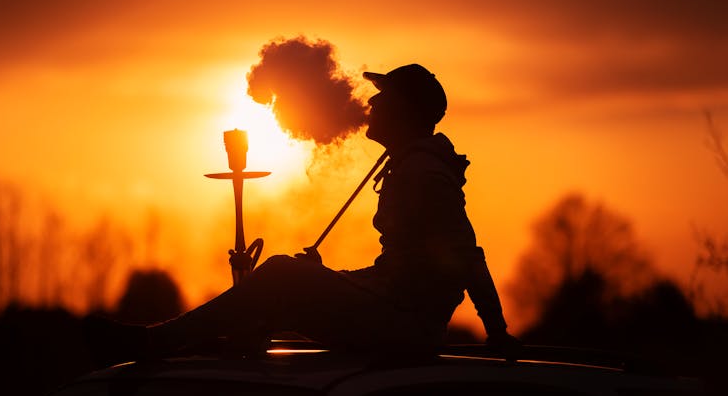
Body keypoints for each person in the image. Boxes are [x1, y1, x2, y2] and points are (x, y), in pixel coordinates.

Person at [86, 63, 518, 364]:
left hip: (405, 329)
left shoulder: (422, 172)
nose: (372, 105)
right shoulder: (410, 165)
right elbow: (399, 272)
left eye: (382, 98)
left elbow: (465, 256)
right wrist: (334, 276)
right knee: (291, 279)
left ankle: (157, 342)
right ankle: (221, 341)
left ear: (403, 110)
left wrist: (496, 333)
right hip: (398, 318)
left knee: (280, 276)